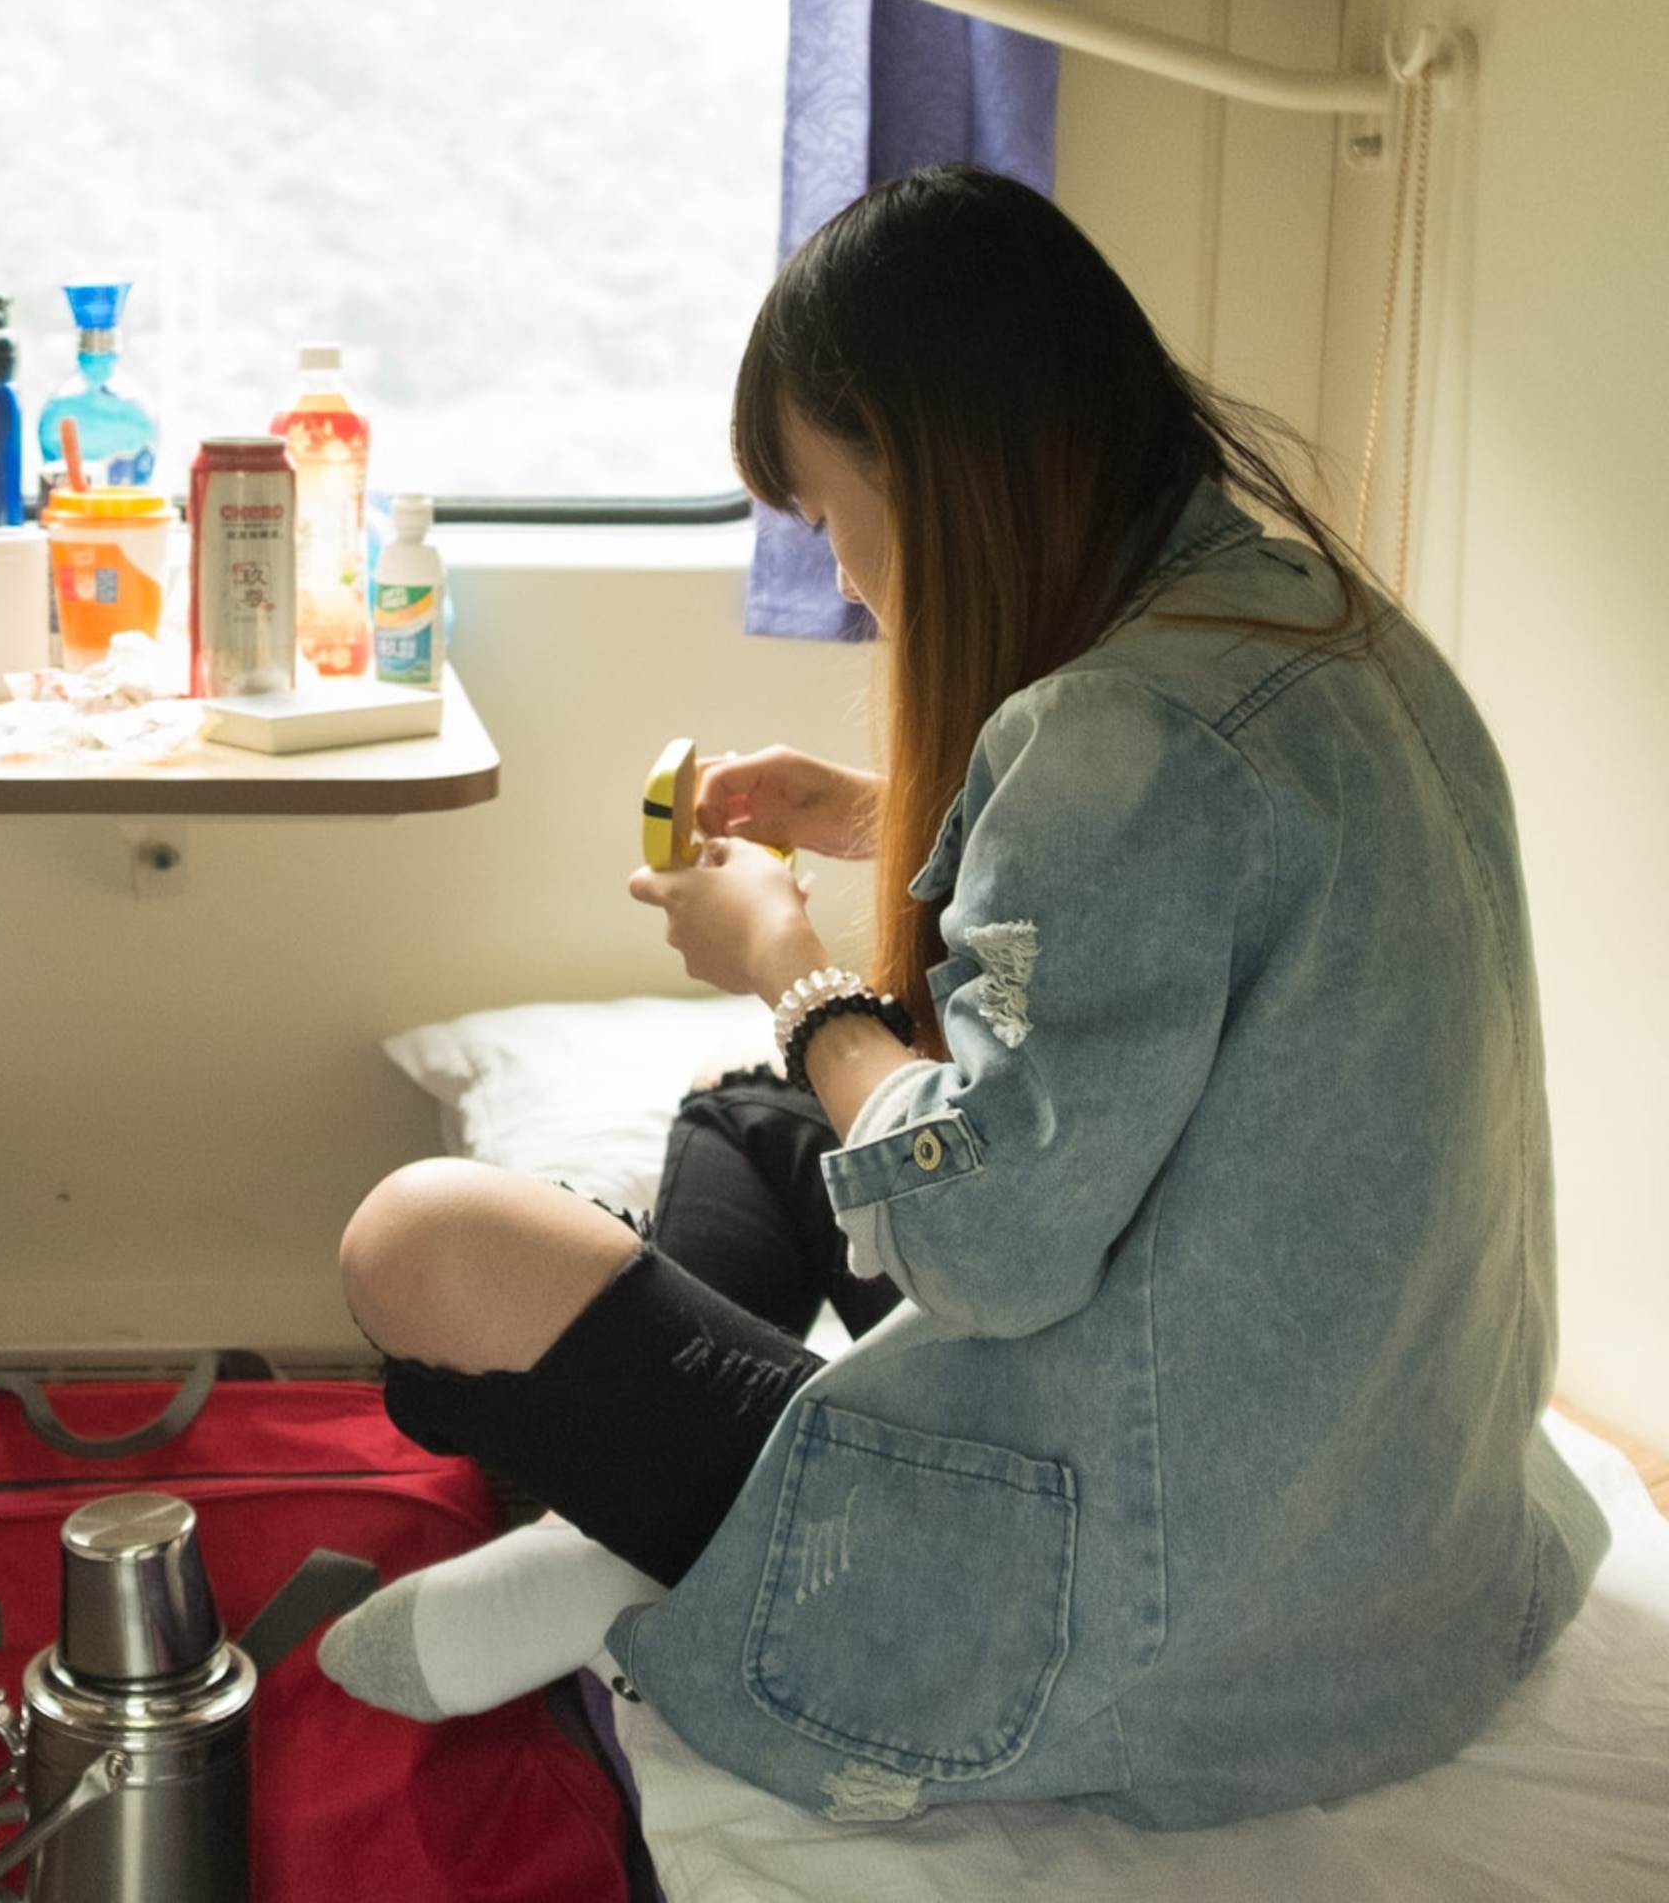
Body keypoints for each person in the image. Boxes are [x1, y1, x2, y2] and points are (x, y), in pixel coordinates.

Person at [320, 166, 1607, 1830]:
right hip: (1388, 1551)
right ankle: (677, 1466)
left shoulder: (1106, 737)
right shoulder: (1319, 629)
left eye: (825, 507)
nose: (847, 573)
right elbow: (1190, 910)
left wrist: (791, 969)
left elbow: (986, 1243)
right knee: (750, 1118)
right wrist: (876, 814)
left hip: (1161, 1598)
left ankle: (668, 1527)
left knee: (420, 1243)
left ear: (924, 468)